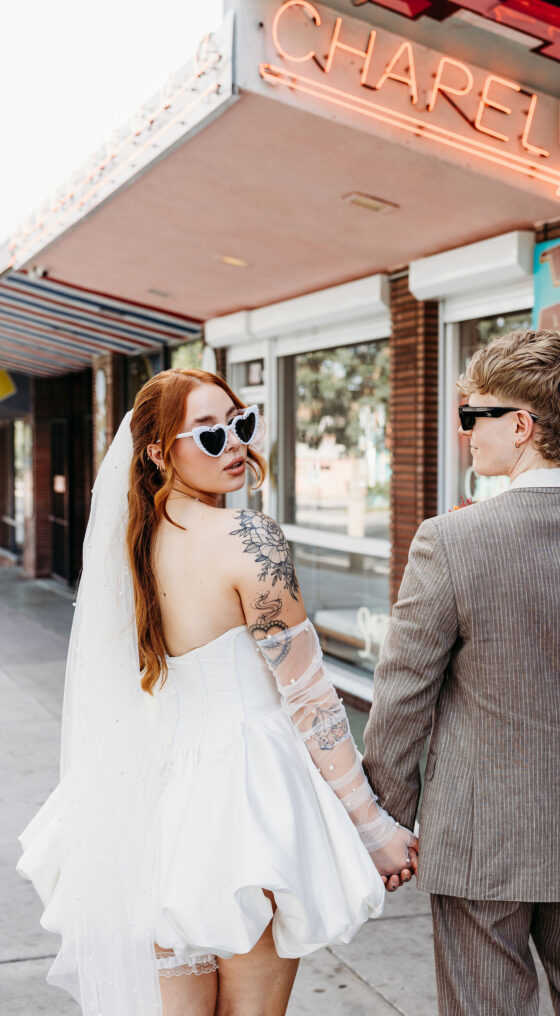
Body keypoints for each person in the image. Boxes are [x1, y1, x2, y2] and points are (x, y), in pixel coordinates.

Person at [17, 367, 417, 1016]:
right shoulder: (249, 540)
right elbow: (310, 698)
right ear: (156, 453)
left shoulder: (128, 547)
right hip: (243, 805)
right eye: (207, 434)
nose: (232, 444)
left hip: (145, 804)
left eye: (240, 424)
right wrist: (372, 829)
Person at [363, 328, 560, 1016]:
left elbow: (401, 696)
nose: (465, 434)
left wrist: (381, 818)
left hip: (479, 838)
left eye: (472, 416)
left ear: (520, 424)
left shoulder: (449, 542)